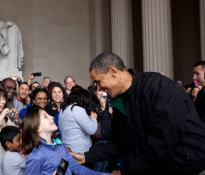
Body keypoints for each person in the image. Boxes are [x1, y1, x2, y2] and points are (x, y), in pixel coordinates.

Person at [70, 52, 205, 175]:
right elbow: (120, 142)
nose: (98, 88)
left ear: (112, 71)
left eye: (98, 81)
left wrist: (126, 171)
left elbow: (163, 140)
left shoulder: (157, 86)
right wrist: (86, 157)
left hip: (189, 165)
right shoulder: (119, 101)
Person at [20, 106, 103, 175]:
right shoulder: (36, 156)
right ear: (37, 128)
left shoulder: (59, 144)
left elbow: (78, 169)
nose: (52, 117)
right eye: (45, 116)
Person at [58, 85, 98, 154]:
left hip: (67, 148)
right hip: (80, 150)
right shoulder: (77, 109)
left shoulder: (63, 109)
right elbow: (91, 130)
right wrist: (93, 118)